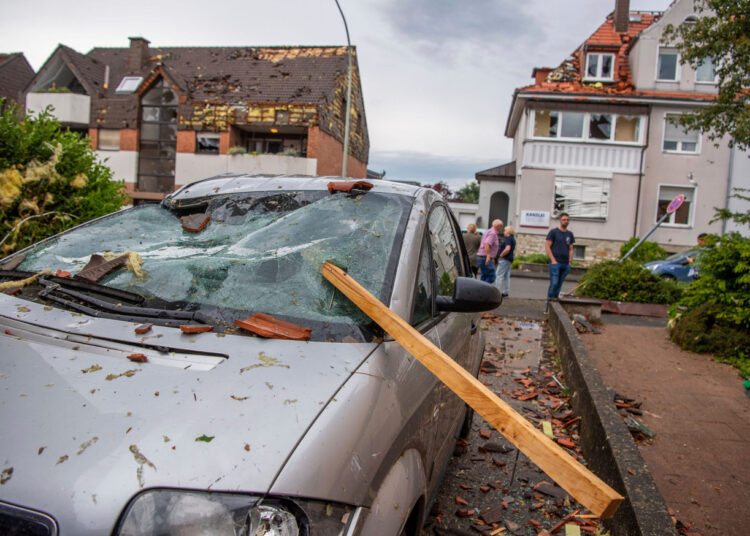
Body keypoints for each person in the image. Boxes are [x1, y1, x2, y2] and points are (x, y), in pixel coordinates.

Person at [545, 213, 574, 301]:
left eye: (567, 220)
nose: (566, 221)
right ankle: (549, 301)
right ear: (560, 221)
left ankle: (555, 299)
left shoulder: (570, 234)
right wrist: (553, 260)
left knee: (559, 284)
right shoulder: (553, 232)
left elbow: (571, 248)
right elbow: (547, 246)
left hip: (565, 264)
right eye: (564, 220)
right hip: (555, 263)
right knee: (554, 283)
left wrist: (570, 261)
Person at [477, 219, 503, 283]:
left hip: (482, 256)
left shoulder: (488, 231)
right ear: (498, 226)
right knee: (491, 277)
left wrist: (492, 257)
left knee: (484, 276)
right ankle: (484, 290)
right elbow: (487, 244)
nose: (501, 228)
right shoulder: (493, 233)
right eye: (501, 226)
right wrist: (488, 256)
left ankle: (481, 291)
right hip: (485, 257)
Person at [495, 226, 515, 297]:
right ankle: (506, 291)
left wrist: (501, 255)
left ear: (508, 232)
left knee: (499, 275)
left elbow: (507, 249)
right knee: (506, 276)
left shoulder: (508, 239)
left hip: (504, 259)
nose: (504, 232)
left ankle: (496, 291)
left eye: (505, 231)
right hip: (509, 259)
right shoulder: (512, 239)